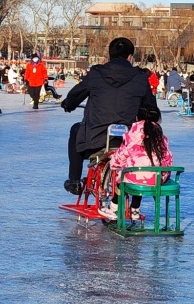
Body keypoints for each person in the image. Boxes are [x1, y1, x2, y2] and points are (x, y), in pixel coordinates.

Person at [59, 37, 159, 194]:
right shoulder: (140, 78)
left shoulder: (96, 73)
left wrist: (68, 104)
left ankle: (74, 181)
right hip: (127, 141)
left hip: (94, 139)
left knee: (75, 130)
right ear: (130, 57)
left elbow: (75, 95)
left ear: (109, 55)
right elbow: (152, 109)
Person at [107, 103, 176, 222]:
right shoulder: (161, 136)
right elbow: (168, 158)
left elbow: (122, 154)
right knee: (142, 175)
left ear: (137, 118)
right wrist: (164, 173)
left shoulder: (132, 135)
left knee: (124, 178)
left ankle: (113, 208)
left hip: (135, 176)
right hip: (157, 178)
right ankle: (135, 209)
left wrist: (113, 164)